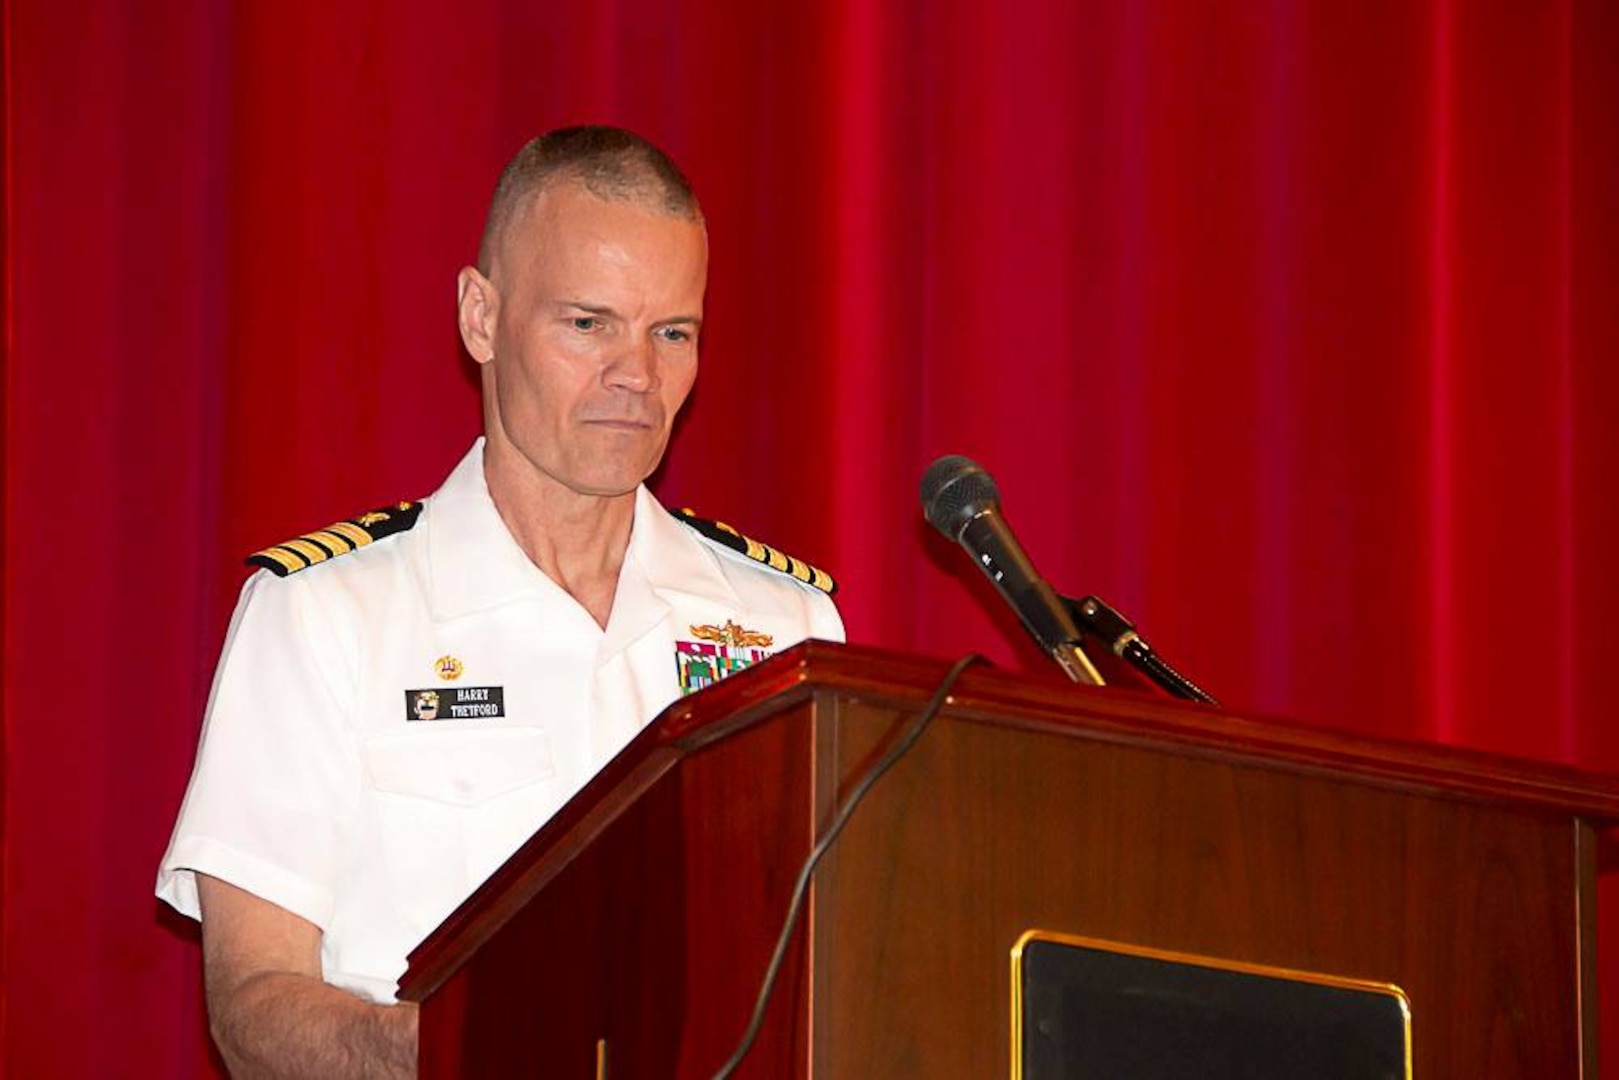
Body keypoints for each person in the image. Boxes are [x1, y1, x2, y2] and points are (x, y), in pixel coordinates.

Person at [156, 126, 844, 1078]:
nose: (636, 375)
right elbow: (254, 1006)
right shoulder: (327, 614)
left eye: (671, 333)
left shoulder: (785, 628)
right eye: (587, 323)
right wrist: (474, 1049)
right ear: (481, 318)